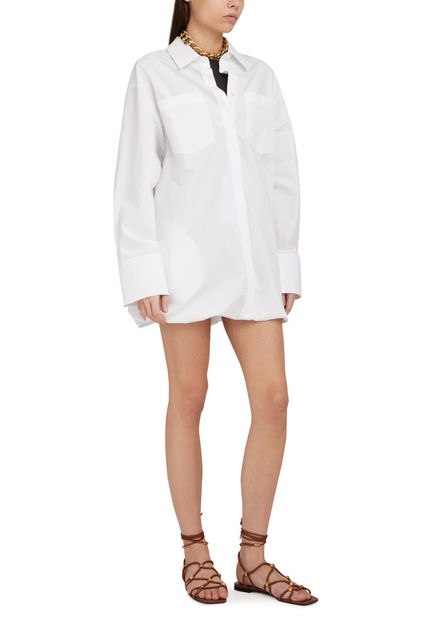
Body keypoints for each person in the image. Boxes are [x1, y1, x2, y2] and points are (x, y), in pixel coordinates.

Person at [113, 0, 318, 606]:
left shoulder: (261, 77)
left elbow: (282, 176)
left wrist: (285, 259)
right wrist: (142, 267)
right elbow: (135, 178)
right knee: (190, 396)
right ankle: (194, 551)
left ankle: (252, 558)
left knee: (274, 399)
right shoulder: (153, 73)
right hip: (183, 265)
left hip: (254, 265)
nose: (235, 1)